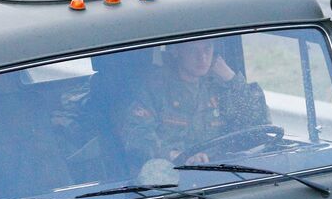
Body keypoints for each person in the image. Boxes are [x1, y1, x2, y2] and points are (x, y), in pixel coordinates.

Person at [112, 39, 270, 179]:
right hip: (169, 181)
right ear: (176, 51)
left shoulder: (221, 87)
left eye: (207, 49)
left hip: (220, 176)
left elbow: (259, 127)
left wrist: (231, 79)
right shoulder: (152, 88)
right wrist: (176, 156)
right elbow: (136, 139)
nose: (202, 58)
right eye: (193, 50)